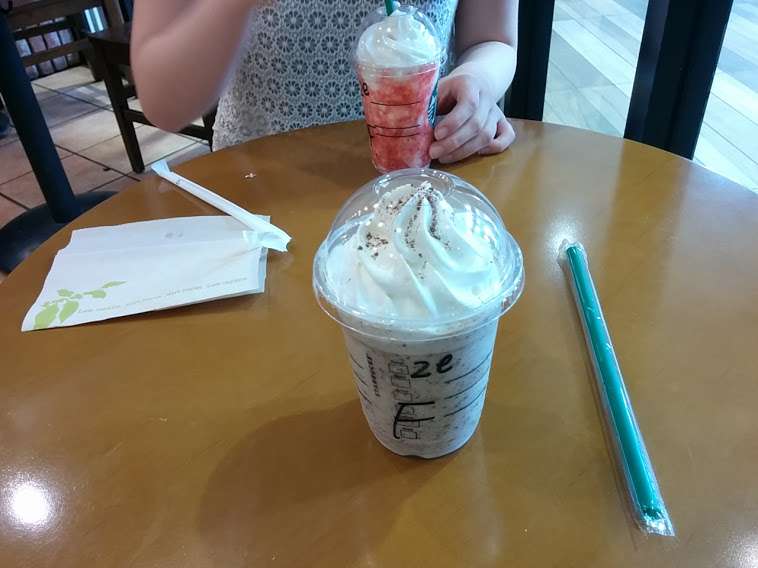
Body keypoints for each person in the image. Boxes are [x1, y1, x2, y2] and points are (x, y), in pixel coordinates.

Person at [131, 0, 517, 164]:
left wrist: (477, 79)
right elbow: (163, 104)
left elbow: (493, 39)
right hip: (260, 197)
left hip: (419, 175)